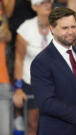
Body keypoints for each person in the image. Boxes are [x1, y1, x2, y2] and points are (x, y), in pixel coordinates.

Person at [30, 7, 76, 135]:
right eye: (65, 28)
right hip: (56, 130)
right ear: (52, 29)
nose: (70, 32)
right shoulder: (41, 61)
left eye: (73, 27)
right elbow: (46, 102)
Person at [13, 0, 53, 134]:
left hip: (54, 81)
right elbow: (19, 59)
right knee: (32, 123)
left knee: (55, 122)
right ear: (34, 6)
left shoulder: (59, 24)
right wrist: (18, 88)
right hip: (31, 81)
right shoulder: (26, 28)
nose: (47, 5)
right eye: (43, 3)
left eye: (49, 2)